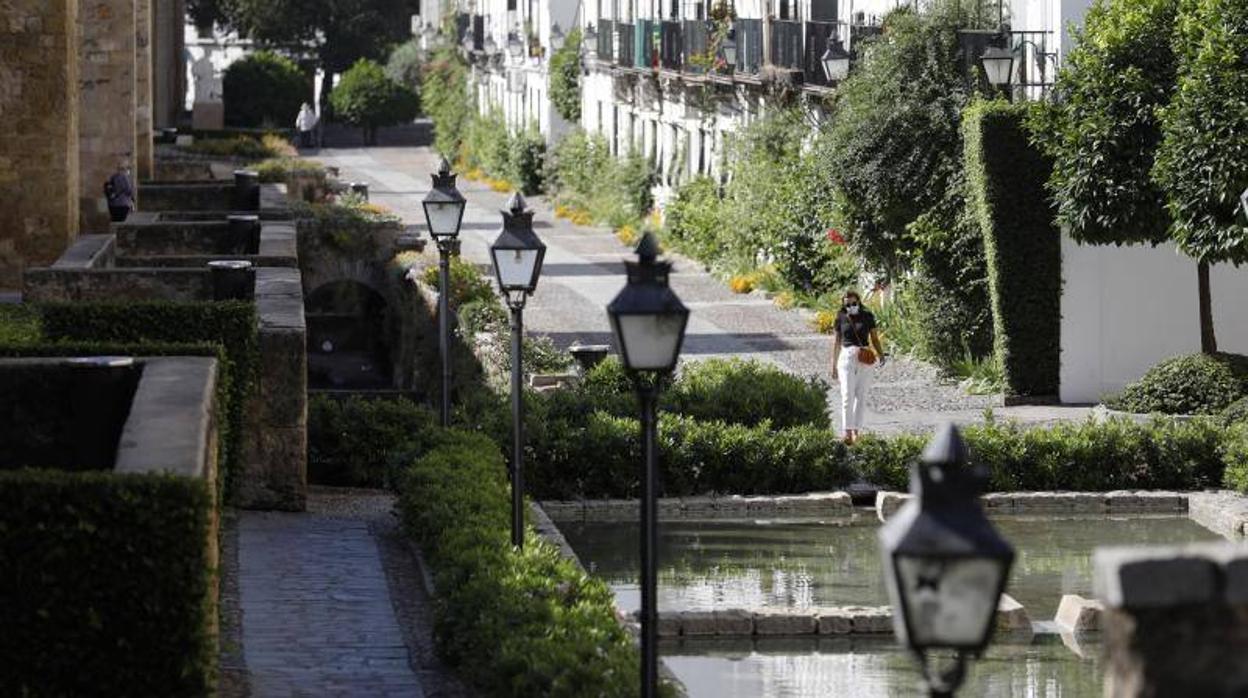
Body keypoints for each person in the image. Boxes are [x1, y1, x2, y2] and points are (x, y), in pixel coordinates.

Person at [830, 290, 886, 444]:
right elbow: (836, 342)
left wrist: (881, 354)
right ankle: (847, 431)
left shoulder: (867, 316)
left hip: (865, 357)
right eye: (847, 304)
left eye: (853, 303)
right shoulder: (840, 317)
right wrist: (833, 365)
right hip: (847, 357)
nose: (850, 306)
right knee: (847, 395)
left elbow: (874, 338)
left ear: (859, 302)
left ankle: (856, 431)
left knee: (861, 397)